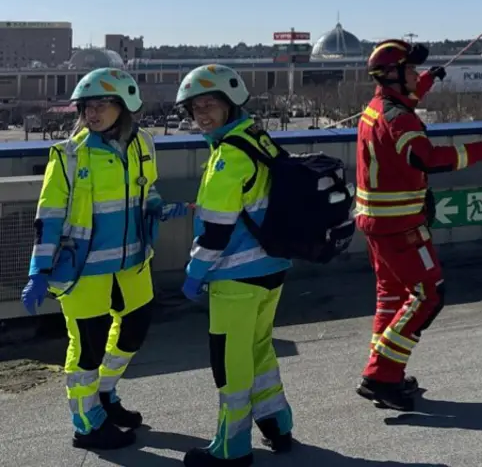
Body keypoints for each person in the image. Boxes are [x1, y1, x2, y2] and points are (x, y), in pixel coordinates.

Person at [22, 68, 170, 450]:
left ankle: (104, 394)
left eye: (102, 104)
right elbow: (49, 216)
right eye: (87, 106)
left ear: (124, 107)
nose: (93, 112)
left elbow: (146, 187)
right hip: (82, 268)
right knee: (87, 347)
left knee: (134, 329)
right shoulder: (69, 155)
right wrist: (38, 270)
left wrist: (156, 207)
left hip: (133, 261)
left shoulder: (143, 145)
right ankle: (87, 424)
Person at [354, 39, 482, 410]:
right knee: (428, 294)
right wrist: (481, 151)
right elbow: (427, 158)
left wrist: (429, 80)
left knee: (391, 297)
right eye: (410, 69)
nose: (414, 74)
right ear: (392, 75)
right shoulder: (399, 118)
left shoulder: (380, 107)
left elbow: (407, 99)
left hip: (376, 223)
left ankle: (382, 372)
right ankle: (381, 376)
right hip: (400, 226)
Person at [176, 64, 293, 467]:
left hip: (237, 275)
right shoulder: (257, 137)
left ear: (230, 104)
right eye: (195, 108)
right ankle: (277, 422)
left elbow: (215, 231)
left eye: (210, 104)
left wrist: (193, 274)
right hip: (272, 267)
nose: (202, 114)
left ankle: (231, 447)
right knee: (259, 349)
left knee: (230, 362)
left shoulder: (227, 155)